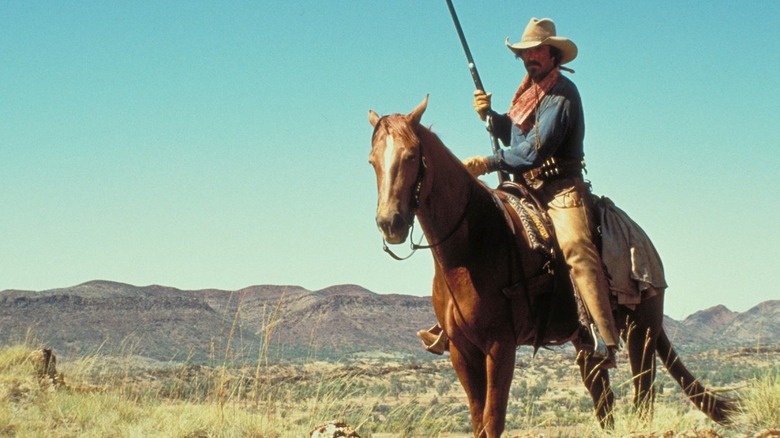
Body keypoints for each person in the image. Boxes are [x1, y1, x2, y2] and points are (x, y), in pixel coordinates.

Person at [418, 17, 620, 368]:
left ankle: (604, 337)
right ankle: (458, 318)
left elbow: (533, 150)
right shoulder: (529, 94)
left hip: (560, 190)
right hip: (526, 187)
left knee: (575, 247)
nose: (530, 57)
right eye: (525, 53)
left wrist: (488, 161)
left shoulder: (562, 94)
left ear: (553, 53)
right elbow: (516, 135)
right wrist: (491, 117)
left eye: (537, 51)